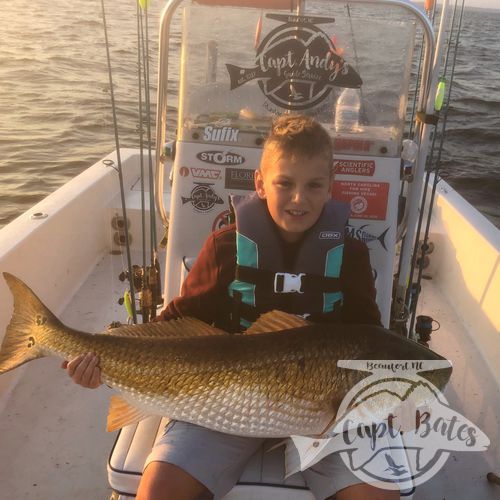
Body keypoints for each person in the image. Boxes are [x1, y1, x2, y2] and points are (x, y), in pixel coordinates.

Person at [64, 115, 397, 500]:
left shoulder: (351, 254)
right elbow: (176, 324)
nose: (299, 198)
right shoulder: (225, 247)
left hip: (326, 408)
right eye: (284, 183)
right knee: (159, 490)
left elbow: (371, 339)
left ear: (329, 189)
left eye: (313, 185)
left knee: (378, 496)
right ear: (259, 184)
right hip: (224, 402)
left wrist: (398, 402)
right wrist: (103, 359)